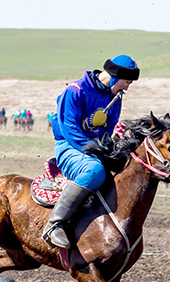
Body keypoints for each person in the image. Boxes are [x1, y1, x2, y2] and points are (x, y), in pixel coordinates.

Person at [42, 55, 140, 249]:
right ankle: (54, 225)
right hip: (69, 147)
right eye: (126, 82)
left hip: (95, 149)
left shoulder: (114, 99)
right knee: (94, 170)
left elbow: (107, 132)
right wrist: (94, 151)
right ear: (114, 76)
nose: (127, 88)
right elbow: (69, 129)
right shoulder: (75, 91)